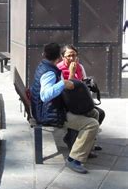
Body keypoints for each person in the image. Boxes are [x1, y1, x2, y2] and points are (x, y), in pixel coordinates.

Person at [30, 43, 99, 174]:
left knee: (93, 113)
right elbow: (45, 95)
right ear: (60, 58)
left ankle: (85, 147)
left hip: (51, 109)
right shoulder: (49, 72)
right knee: (92, 124)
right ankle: (74, 160)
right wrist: (63, 83)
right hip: (50, 113)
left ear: (44, 54)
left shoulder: (44, 66)